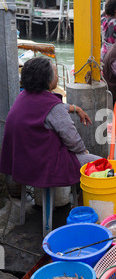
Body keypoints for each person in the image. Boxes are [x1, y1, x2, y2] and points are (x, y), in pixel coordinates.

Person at [0, 57, 100, 188]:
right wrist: (83, 151)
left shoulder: (22, 97)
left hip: (21, 165)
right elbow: (73, 141)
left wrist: (75, 108)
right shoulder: (53, 107)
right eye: (56, 74)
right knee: (100, 163)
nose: (58, 77)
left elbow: (51, 110)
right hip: (44, 167)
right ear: (47, 81)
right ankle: (82, 205)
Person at [101, 0, 116, 65]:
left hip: (103, 53)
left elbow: (104, 13)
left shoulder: (103, 19)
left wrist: (109, 6)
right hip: (114, 55)